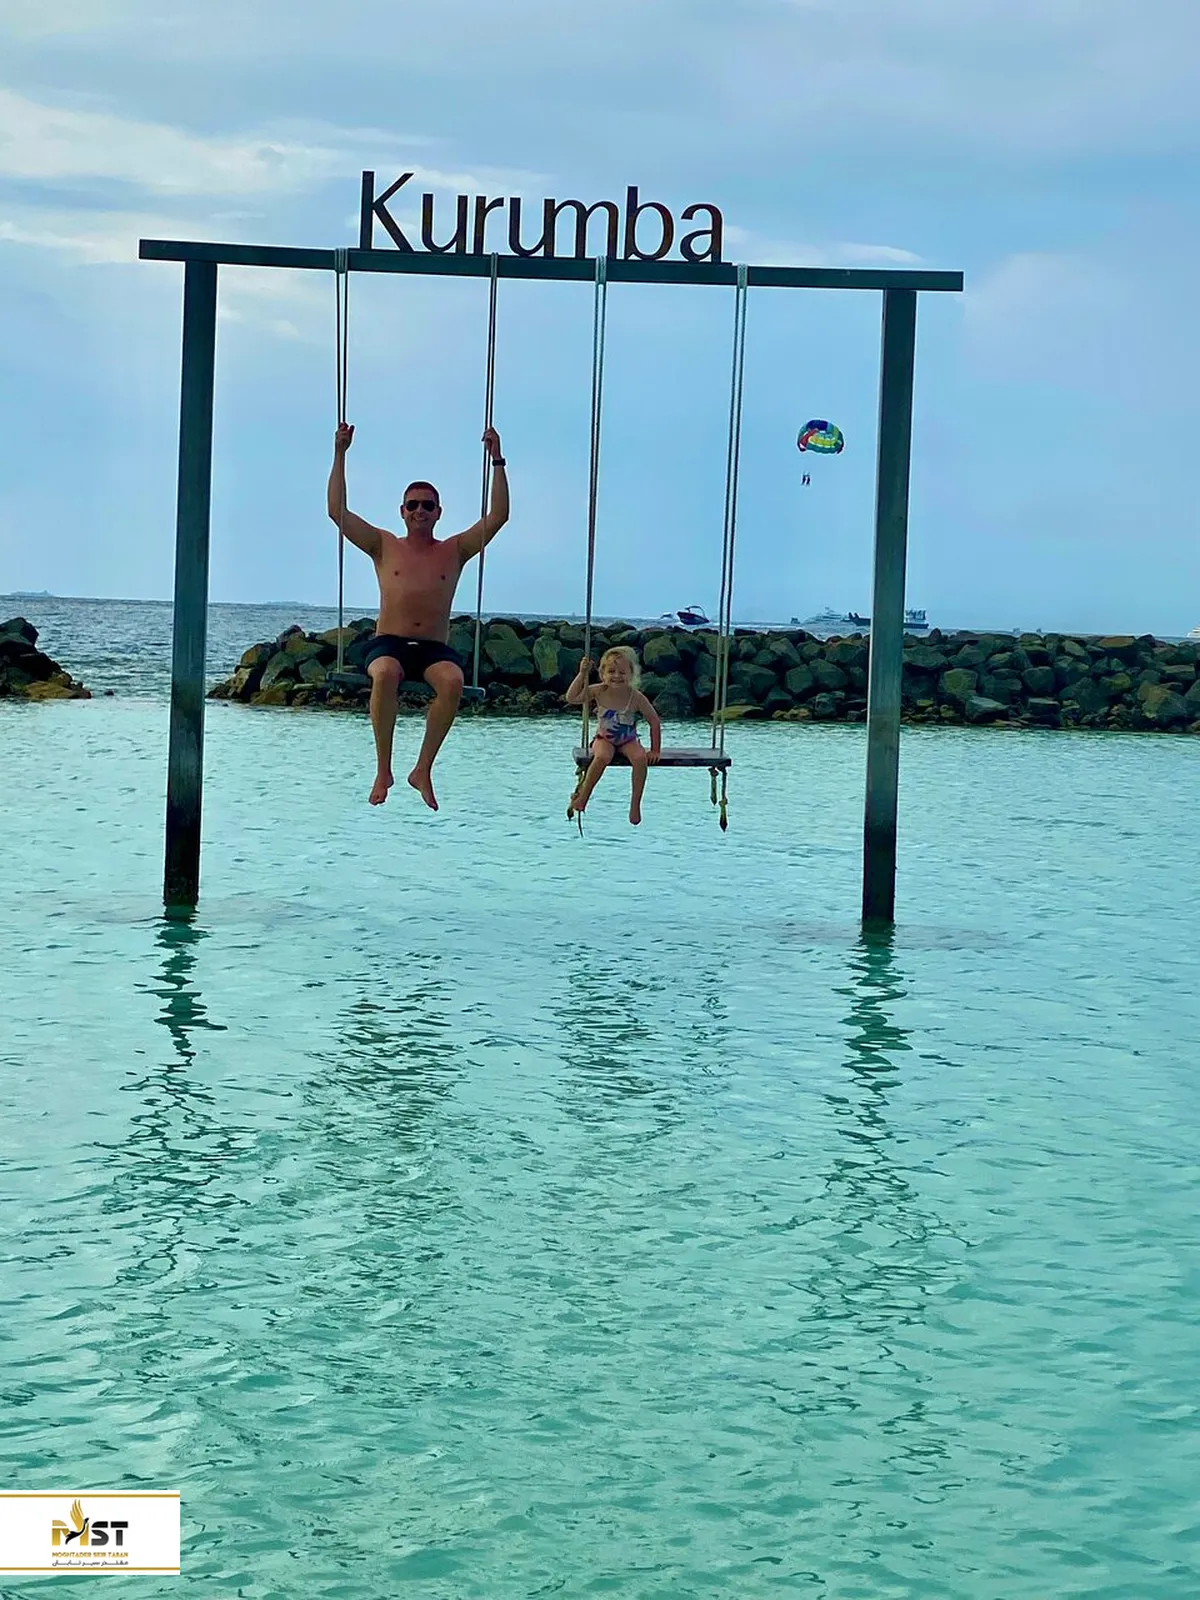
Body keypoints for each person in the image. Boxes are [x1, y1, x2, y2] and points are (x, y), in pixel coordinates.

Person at [327, 421, 508, 810]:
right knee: (386, 674)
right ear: (402, 511)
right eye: (413, 505)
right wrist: (340, 453)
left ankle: (422, 770)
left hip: (432, 649)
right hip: (388, 643)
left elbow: (498, 516)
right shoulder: (383, 544)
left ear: (438, 512)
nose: (420, 510)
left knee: (454, 681)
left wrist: (497, 460)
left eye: (427, 505)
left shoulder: (455, 549)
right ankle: (383, 770)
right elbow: (337, 512)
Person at [565, 647, 662, 825]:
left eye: (622, 672)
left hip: (628, 740)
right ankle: (583, 797)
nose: (616, 676)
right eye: (611, 671)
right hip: (604, 738)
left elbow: (654, 721)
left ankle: (635, 804)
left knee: (640, 757)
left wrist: (655, 750)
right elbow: (572, 698)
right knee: (602, 756)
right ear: (602, 674)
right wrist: (582, 674)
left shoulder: (636, 697)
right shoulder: (598, 691)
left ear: (631, 674)